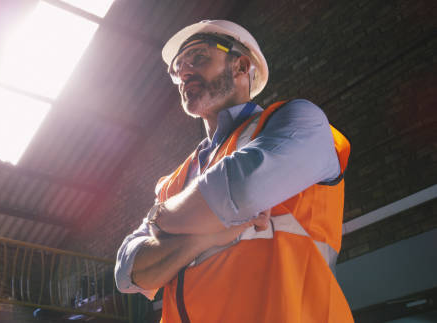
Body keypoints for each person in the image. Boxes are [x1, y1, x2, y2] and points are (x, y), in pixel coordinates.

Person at [114, 20, 353, 322]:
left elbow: (240, 190)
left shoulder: (299, 121)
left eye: (199, 57)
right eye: (178, 68)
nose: (185, 72)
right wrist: (204, 239)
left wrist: (159, 220)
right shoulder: (173, 182)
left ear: (241, 66)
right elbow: (127, 273)